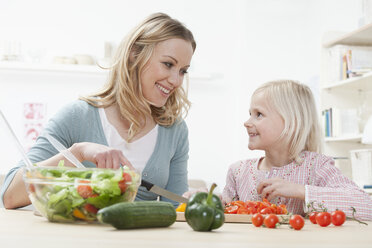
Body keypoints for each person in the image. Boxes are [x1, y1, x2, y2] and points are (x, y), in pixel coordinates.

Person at [1, 12, 196, 209]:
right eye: (168, 64)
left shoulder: (174, 130)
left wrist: (196, 201)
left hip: (142, 240)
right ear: (134, 54)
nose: (176, 80)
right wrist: (78, 153)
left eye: (183, 71)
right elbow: (9, 195)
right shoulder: (77, 117)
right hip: (80, 238)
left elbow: (175, 207)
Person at [222, 80, 372, 220]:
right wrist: (216, 204)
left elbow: (366, 205)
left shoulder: (317, 166)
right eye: (250, 114)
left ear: (291, 123)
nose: (247, 123)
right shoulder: (238, 172)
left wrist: (301, 191)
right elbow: (227, 217)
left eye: (258, 114)